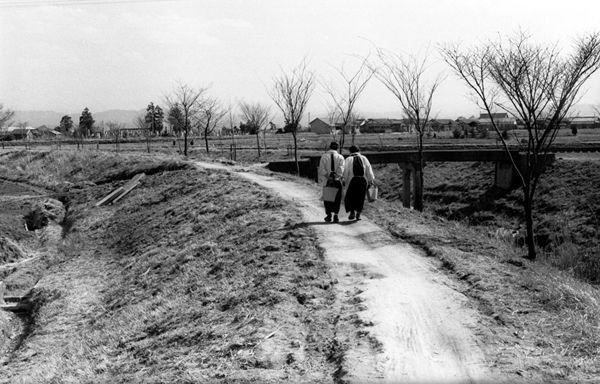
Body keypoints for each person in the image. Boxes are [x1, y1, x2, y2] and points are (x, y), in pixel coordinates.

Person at [342, 145, 375, 221]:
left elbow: (345, 171)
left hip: (351, 180)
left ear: (350, 151)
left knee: (350, 197)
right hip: (362, 180)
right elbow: (368, 169)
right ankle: (358, 214)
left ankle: (352, 212)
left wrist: (344, 179)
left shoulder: (348, 159)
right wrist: (371, 180)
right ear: (358, 150)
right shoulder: (364, 158)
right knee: (361, 197)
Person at [318, 142, 345, 223]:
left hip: (327, 181)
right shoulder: (340, 157)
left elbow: (321, 169)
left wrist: (328, 175)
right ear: (337, 148)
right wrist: (337, 176)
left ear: (329, 147)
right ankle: (336, 215)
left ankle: (329, 215)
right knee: (337, 198)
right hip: (337, 181)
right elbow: (341, 169)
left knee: (328, 199)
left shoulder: (324, 156)